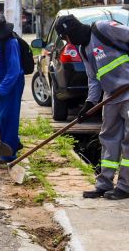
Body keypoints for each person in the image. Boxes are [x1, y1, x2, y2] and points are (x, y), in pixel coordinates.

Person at [55, 15, 129, 200]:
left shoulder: (103, 28)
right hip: (111, 96)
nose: (67, 42)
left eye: (65, 38)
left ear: (70, 32)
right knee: (108, 139)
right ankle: (104, 183)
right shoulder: (83, 49)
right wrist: (89, 103)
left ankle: (125, 186)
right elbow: (94, 79)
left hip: (128, 92)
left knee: (128, 142)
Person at [0, 15, 24, 163]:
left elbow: (14, 71)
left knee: (7, 117)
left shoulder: (10, 42)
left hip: (11, 84)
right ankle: (12, 142)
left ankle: (8, 155)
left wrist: (0, 90)